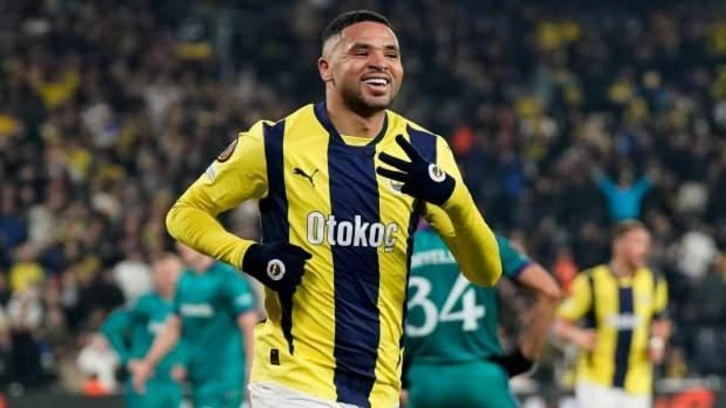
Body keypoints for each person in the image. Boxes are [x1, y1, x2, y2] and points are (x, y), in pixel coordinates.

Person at [165, 9, 502, 408]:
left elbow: (485, 272)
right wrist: (249, 255)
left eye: (391, 54)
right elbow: (184, 214)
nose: (380, 62)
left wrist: (453, 198)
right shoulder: (275, 143)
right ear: (326, 68)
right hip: (292, 384)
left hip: (379, 390)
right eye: (361, 52)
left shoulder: (425, 150)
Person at [401, 225, 561, 408]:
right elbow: (549, 291)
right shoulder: (483, 241)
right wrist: (522, 359)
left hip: (424, 382)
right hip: (482, 378)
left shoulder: (403, 247)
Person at [554, 221, 671, 408]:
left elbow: (661, 320)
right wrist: (578, 336)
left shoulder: (655, 282)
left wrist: (658, 342)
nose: (645, 249)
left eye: (647, 243)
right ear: (618, 244)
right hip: (596, 383)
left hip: (638, 384)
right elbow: (558, 323)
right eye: (637, 242)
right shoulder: (591, 281)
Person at [132, 244, 259, 408]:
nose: (180, 246)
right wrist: (147, 364)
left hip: (226, 378)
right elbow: (173, 327)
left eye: (186, 239)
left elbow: (250, 327)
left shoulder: (228, 278)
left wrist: (253, 373)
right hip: (198, 379)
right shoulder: (184, 280)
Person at [101, 253, 186, 407]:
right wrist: (128, 360)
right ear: (155, 276)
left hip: (174, 382)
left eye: (176, 273)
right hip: (147, 380)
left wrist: (185, 363)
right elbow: (110, 327)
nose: (172, 279)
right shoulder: (144, 303)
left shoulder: (186, 305)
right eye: (166, 273)